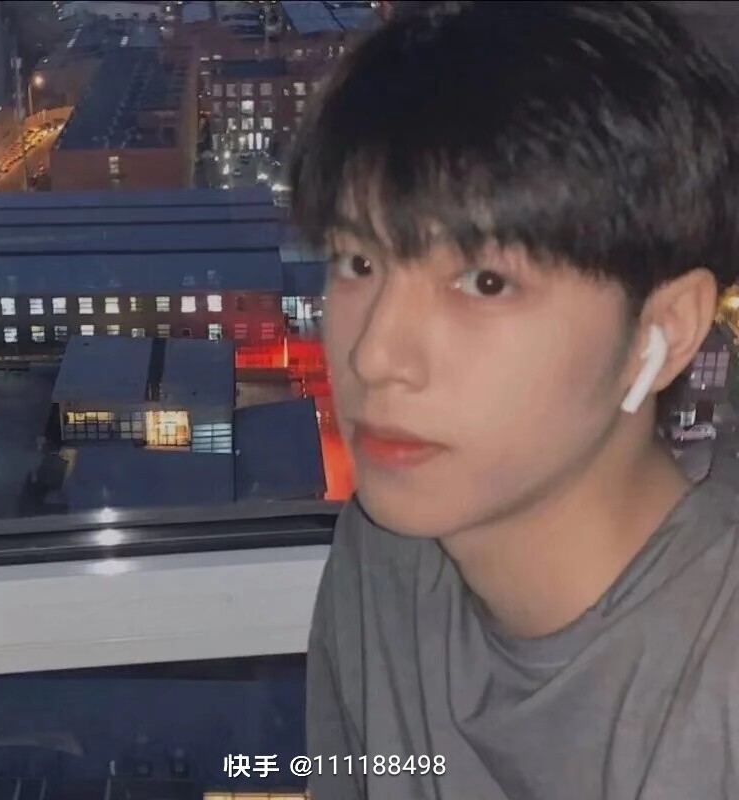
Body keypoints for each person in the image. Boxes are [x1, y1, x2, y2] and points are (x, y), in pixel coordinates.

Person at [288, 1, 739, 798]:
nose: (375, 355)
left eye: (485, 282)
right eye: (357, 263)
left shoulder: (715, 685)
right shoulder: (387, 559)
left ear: (662, 332)